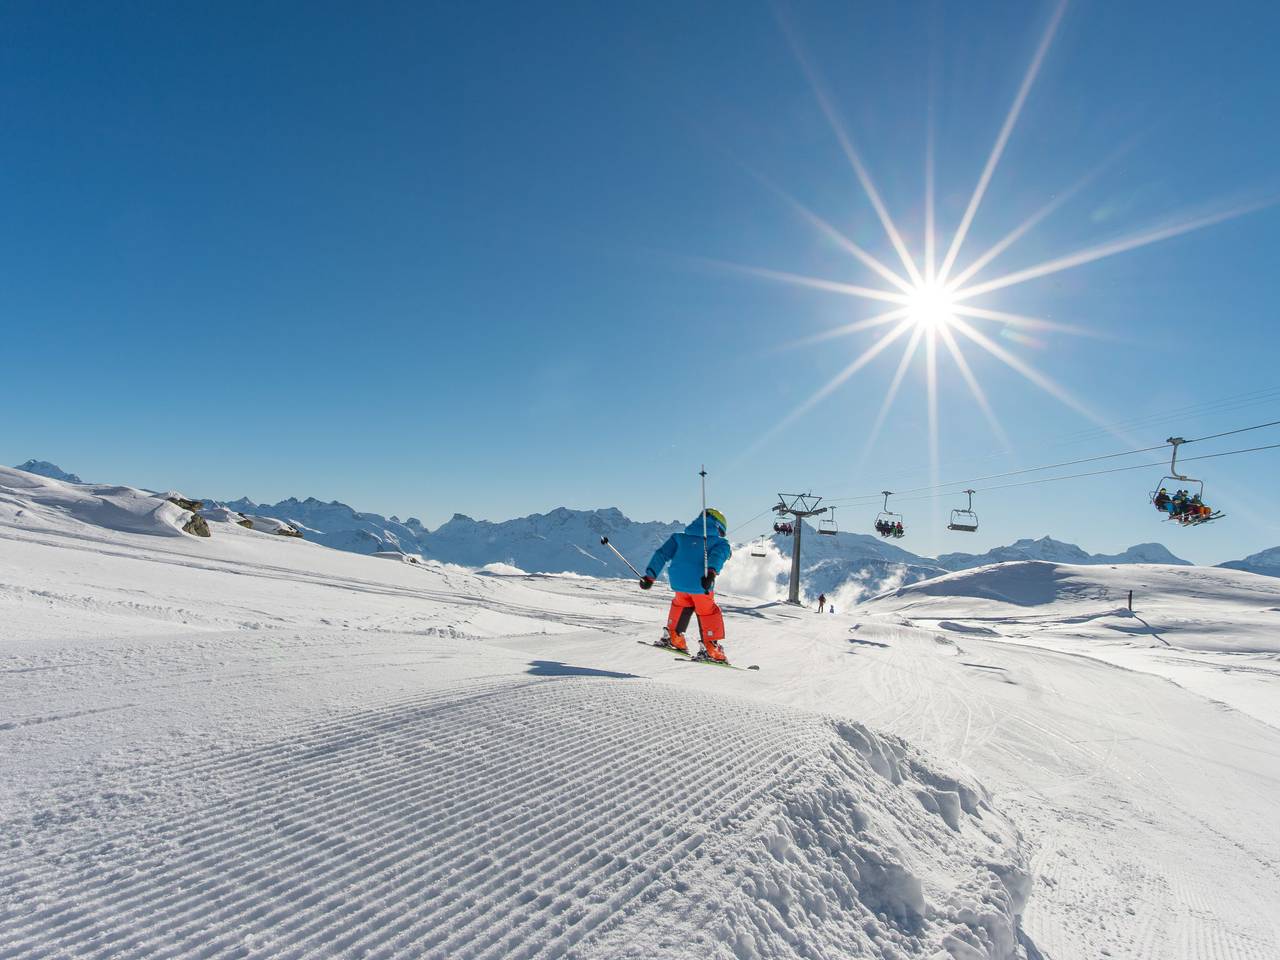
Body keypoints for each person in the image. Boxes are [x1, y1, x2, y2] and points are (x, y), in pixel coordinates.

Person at [641, 508, 732, 662]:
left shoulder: (679, 538)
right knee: (708, 611)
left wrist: (650, 576)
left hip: (679, 583)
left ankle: (673, 637)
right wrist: (711, 573)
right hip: (701, 584)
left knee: (681, 605)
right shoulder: (720, 543)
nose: (720, 535)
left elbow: (661, 554)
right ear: (718, 526)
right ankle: (711, 649)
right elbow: (718, 556)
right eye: (721, 532)